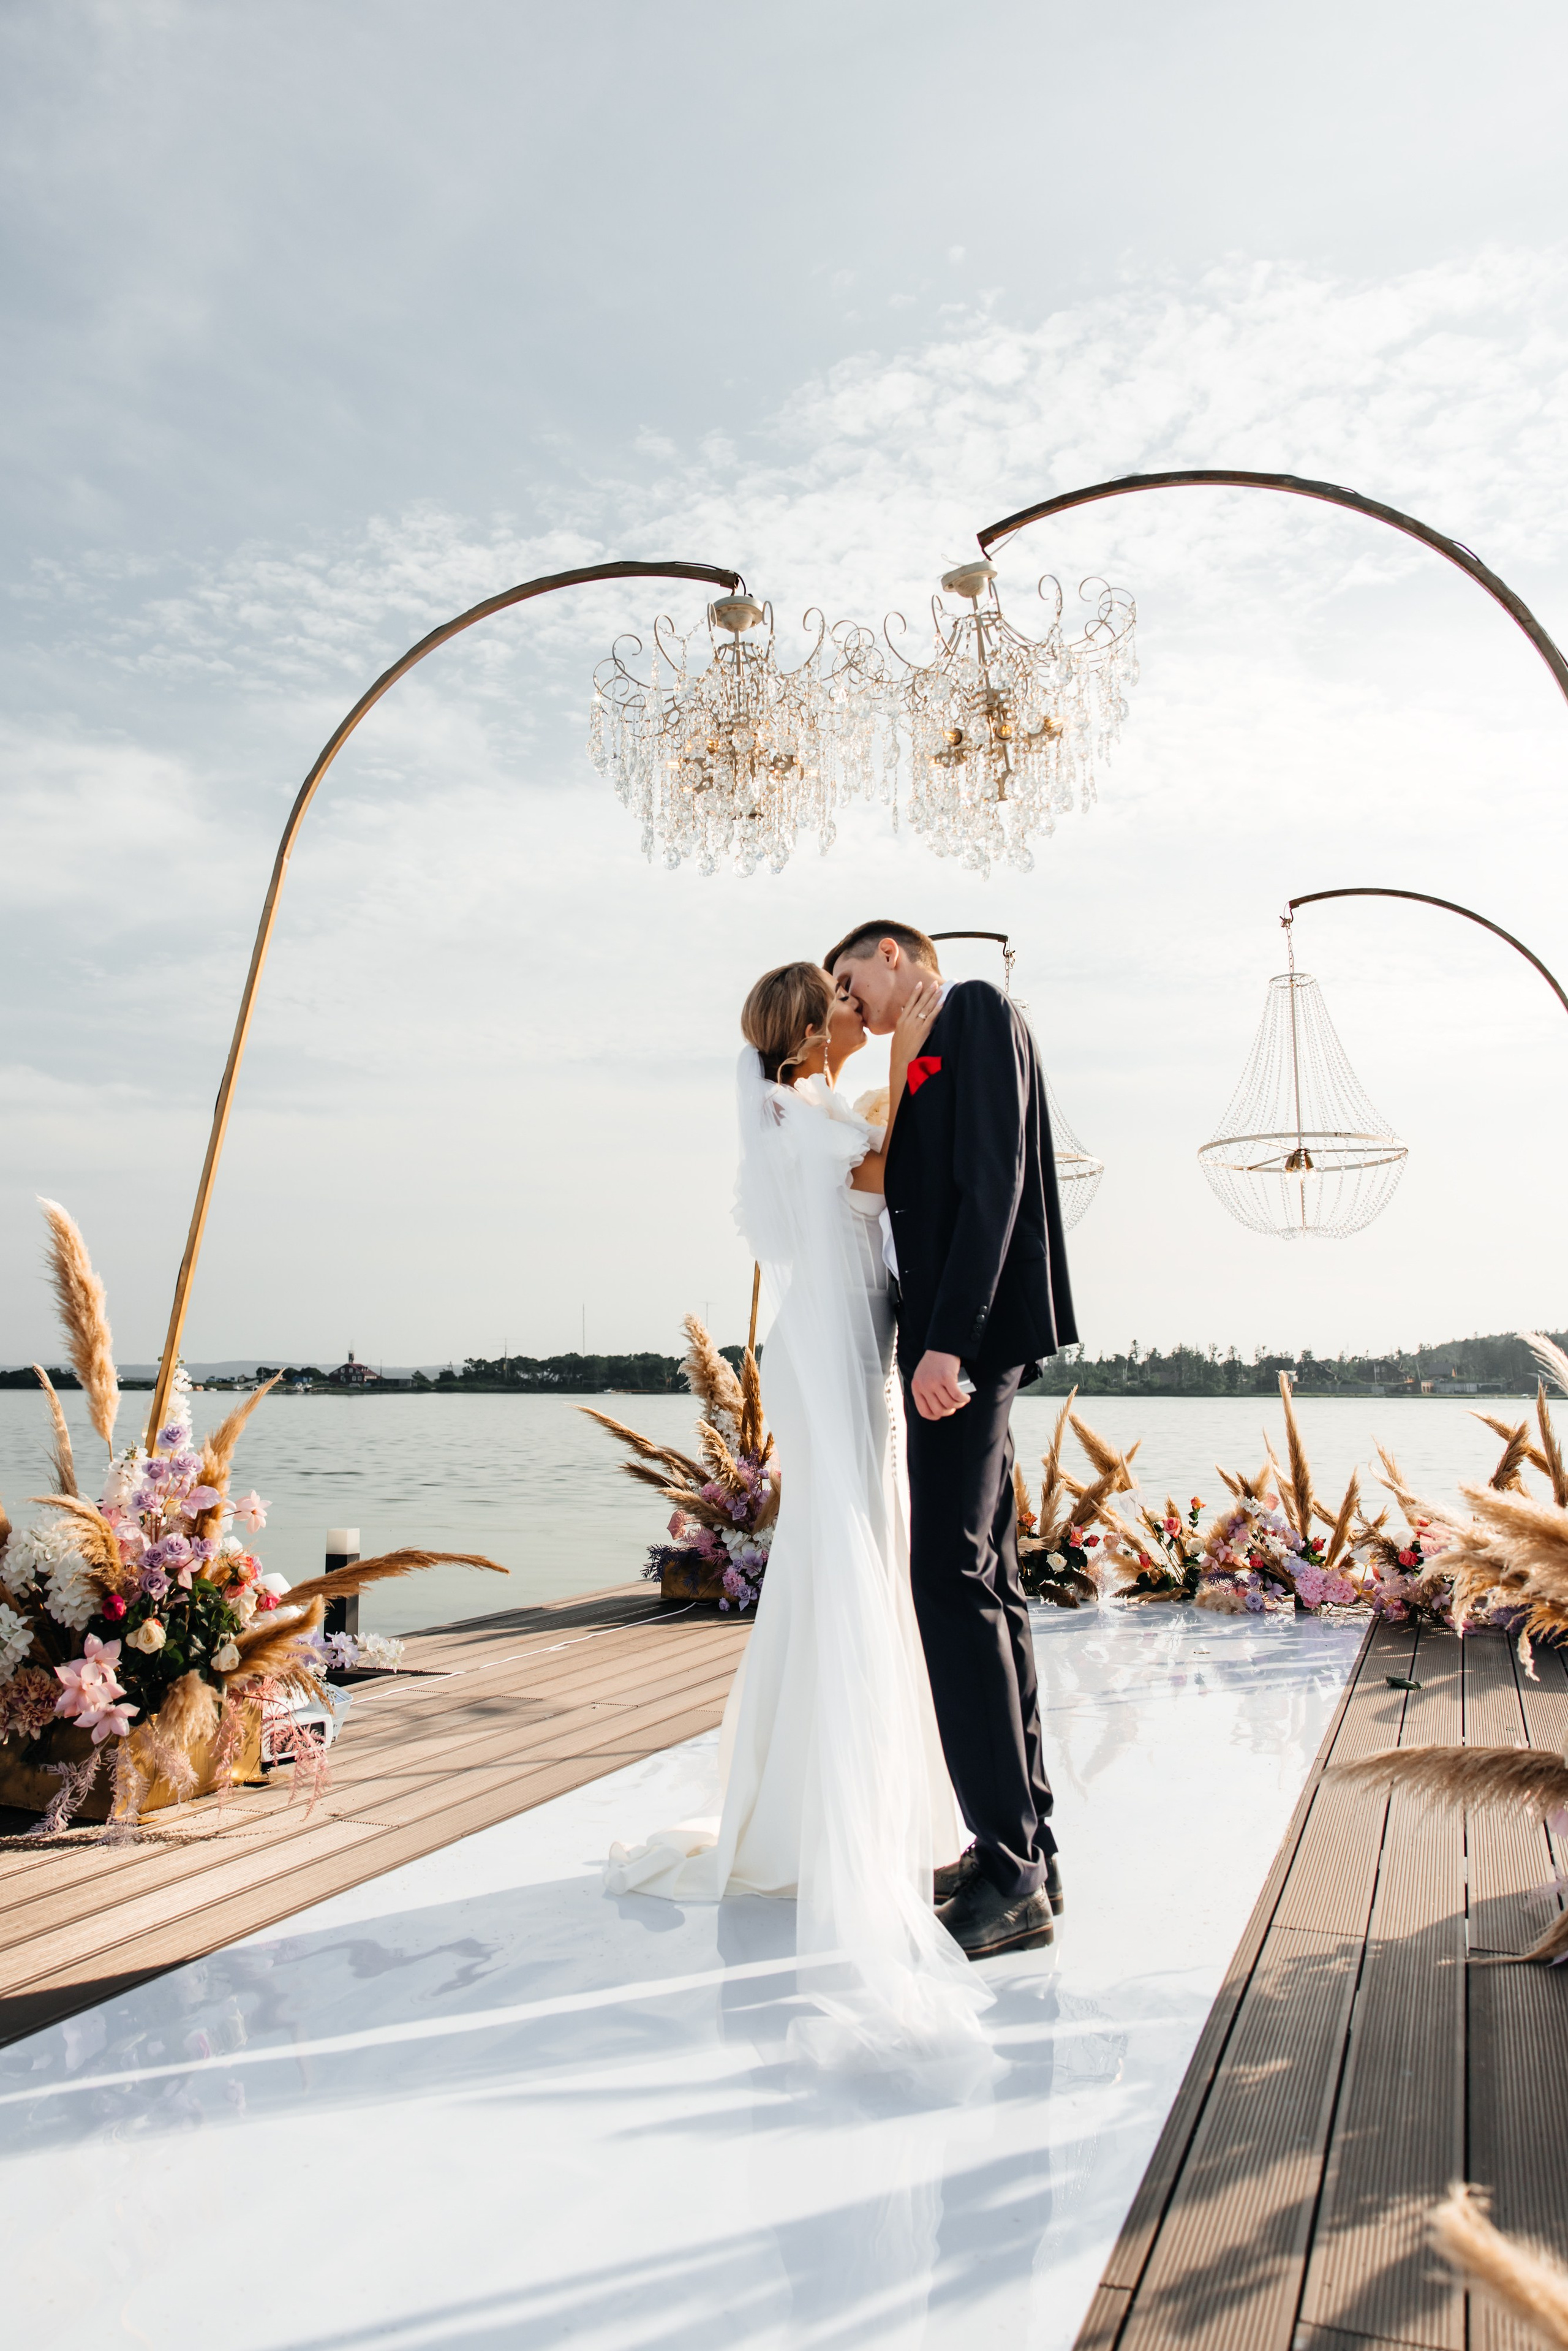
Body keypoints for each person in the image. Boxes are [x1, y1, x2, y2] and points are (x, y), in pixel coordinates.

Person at [605, 959, 990, 2075]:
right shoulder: (794, 1109)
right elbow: (884, 1166)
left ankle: (836, 1797)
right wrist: (919, 1053)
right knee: (846, 1548)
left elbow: (872, 1182)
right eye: (836, 1006)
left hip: (853, 1342)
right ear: (804, 1033)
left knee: (865, 1537)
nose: (848, 1015)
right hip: (831, 1349)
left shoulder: (807, 1104)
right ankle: (833, 1815)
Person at [824, 920, 1077, 1961]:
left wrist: (948, 1346)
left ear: (895, 953)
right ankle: (1023, 1850)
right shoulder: (929, 1038)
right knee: (992, 1576)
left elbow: (993, 1186)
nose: (849, 1002)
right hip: (964, 1340)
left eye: (852, 980)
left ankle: (1010, 1873)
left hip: (966, 1344)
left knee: (949, 1580)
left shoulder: (972, 1008)